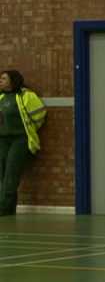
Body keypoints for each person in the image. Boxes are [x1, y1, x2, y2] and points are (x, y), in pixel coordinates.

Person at [0, 70, 47, 216]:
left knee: (11, 173)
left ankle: (4, 207)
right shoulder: (1, 97)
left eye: (3, 78)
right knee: (2, 173)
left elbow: (40, 114)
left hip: (20, 139)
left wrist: (31, 128)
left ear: (13, 80)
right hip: (3, 139)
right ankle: (8, 208)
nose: (0, 80)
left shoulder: (26, 95)